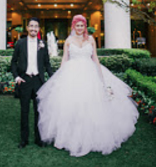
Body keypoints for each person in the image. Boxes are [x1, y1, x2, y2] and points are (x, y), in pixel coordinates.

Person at [36, 14, 139, 157]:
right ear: (73, 26)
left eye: (82, 25)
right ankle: (68, 138)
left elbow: (95, 57)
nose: (79, 28)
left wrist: (101, 78)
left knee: (92, 104)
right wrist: (59, 75)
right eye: (77, 25)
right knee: (72, 105)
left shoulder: (91, 39)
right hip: (72, 74)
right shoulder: (68, 40)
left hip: (90, 72)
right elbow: (65, 58)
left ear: (85, 26)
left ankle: (93, 137)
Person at [11, 17, 54, 149]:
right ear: (27, 28)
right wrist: (17, 77)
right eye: (31, 26)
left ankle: (38, 139)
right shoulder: (20, 43)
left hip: (38, 81)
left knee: (38, 111)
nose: (33, 28)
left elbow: (47, 64)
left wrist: (53, 78)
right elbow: (13, 62)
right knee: (24, 111)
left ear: (39, 29)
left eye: (36, 26)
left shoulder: (43, 44)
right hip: (25, 80)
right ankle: (24, 140)